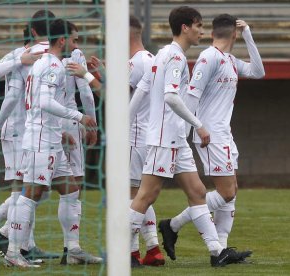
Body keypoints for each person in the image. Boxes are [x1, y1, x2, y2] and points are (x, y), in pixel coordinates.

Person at [128, 6, 249, 267]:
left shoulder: (162, 54)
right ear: (185, 27)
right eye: (198, 26)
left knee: (197, 191)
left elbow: (141, 90)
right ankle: (122, 249)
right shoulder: (175, 58)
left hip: (175, 138)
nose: (202, 32)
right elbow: (171, 96)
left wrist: (125, 123)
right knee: (146, 195)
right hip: (165, 137)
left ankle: (217, 252)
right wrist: (199, 125)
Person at [160, 14, 265, 261]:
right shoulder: (208, 57)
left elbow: (258, 72)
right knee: (226, 192)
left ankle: (221, 248)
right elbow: (191, 96)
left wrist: (249, 33)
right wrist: (196, 128)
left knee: (232, 191)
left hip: (224, 134)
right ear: (234, 35)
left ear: (213, 32)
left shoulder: (228, 59)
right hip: (210, 135)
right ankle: (173, 225)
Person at [4, 18, 102, 268]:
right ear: (62, 40)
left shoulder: (51, 62)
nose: (76, 44)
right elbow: (45, 103)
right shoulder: (51, 65)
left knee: (70, 190)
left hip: (50, 138)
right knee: (30, 194)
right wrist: (79, 116)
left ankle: (73, 249)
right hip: (39, 141)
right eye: (74, 39)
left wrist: (60, 133)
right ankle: (13, 252)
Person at [0, 10, 59, 261]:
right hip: (16, 131)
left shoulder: (48, 55)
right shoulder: (22, 55)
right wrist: (20, 59)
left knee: (36, 189)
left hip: (34, 130)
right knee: (24, 190)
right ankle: (0, 233)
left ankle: (5, 234)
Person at [125, 15, 165, 266]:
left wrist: (88, 75)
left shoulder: (134, 63)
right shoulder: (151, 59)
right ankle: (153, 249)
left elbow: (116, 95)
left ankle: (130, 253)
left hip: (136, 135)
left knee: (130, 196)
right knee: (144, 194)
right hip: (152, 137)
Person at [59, 23, 98, 265]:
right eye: (75, 38)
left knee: (37, 186)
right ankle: (72, 248)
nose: (78, 43)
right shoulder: (75, 56)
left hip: (43, 126)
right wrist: (91, 123)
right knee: (74, 185)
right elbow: (86, 93)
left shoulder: (40, 57)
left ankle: (13, 239)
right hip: (70, 123)